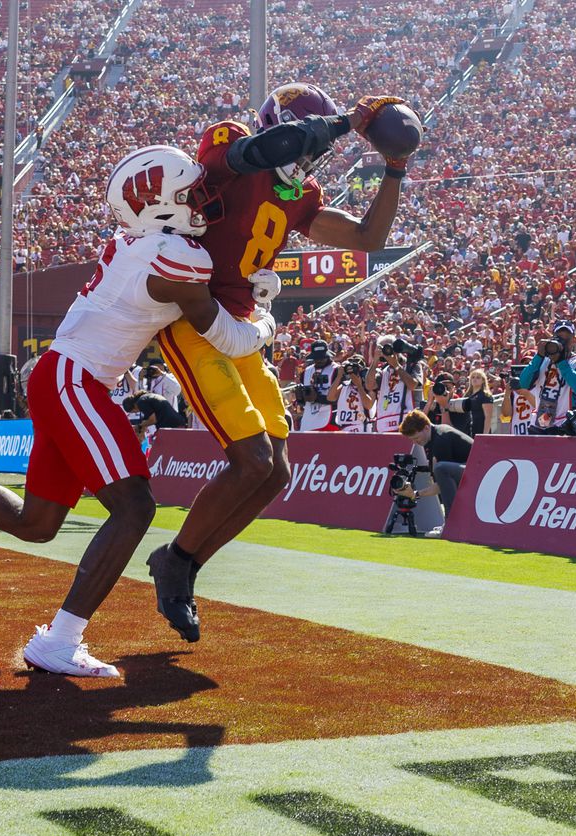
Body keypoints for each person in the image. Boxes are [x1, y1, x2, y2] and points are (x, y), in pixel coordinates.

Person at [0, 144, 275, 678]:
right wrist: (266, 317)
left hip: (64, 376)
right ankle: (61, 640)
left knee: (37, 524)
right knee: (135, 507)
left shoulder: (140, 242)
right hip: (76, 380)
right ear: (159, 207)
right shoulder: (177, 258)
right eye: (190, 193)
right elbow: (233, 340)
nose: (202, 200)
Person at [147, 85, 409, 643]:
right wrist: (343, 123)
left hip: (241, 328)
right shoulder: (232, 143)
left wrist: (395, 169)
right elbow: (256, 154)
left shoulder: (303, 194)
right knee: (250, 459)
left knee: (276, 472)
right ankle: (176, 564)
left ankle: (184, 562)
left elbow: (370, 237)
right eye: (303, 137)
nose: (309, 154)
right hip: (193, 317)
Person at [397, 408, 473, 527]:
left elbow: (441, 485)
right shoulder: (435, 435)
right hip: (473, 471)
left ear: (426, 428)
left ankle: (451, 524)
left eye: (416, 438)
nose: (415, 442)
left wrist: (415, 494)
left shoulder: (441, 439)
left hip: (480, 474)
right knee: (440, 469)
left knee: (440, 469)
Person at [517, 320, 576, 434]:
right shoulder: (542, 360)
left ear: (574, 340)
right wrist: (539, 356)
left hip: (566, 423)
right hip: (541, 422)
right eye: (559, 338)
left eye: (567, 339)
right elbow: (524, 383)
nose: (563, 342)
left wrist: (561, 362)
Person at [367, 334, 423, 433]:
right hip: (385, 424)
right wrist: (375, 361)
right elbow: (369, 385)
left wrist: (396, 366)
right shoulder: (383, 371)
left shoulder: (412, 364)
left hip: (408, 422)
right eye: (382, 348)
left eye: (388, 347)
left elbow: (413, 385)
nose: (386, 350)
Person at [296, 341, 337, 431]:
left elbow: (340, 399)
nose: (319, 360)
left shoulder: (336, 370)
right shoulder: (306, 371)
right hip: (308, 419)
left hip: (330, 419)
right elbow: (303, 401)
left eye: (322, 357)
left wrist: (317, 398)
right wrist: (300, 398)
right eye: (316, 358)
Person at [444, 368, 495, 437]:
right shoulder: (467, 395)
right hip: (468, 432)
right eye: (473, 377)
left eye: (478, 377)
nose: (475, 379)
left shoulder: (486, 396)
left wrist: (485, 436)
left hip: (480, 431)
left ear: (483, 380)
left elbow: (488, 417)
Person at [328, 354, 372, 432]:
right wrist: (339, 376)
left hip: (361, 427)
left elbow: (368, 405)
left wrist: (359, 385)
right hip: (344, 428)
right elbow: (330, 397)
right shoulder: (344, 385)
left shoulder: (367, 385)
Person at [123, 390, 187, 433]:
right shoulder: (147, 397)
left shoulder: (141, 402)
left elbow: (152, 420)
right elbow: (147, 420)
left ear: (134, 406)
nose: (137, 412)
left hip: (171, 427)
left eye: (134, 412)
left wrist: (139, 426)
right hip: (177, 423)